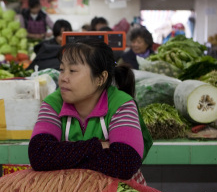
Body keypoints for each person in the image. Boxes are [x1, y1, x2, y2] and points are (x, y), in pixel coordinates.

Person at [28, 39, 153, 180]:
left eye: (73, 71)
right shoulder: (53, 103)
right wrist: (98, 146)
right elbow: (39, 155)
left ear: (101, 78)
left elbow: (124, 163)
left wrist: (61, 153)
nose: (63, 78)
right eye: (62, 69)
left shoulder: (121, 105)